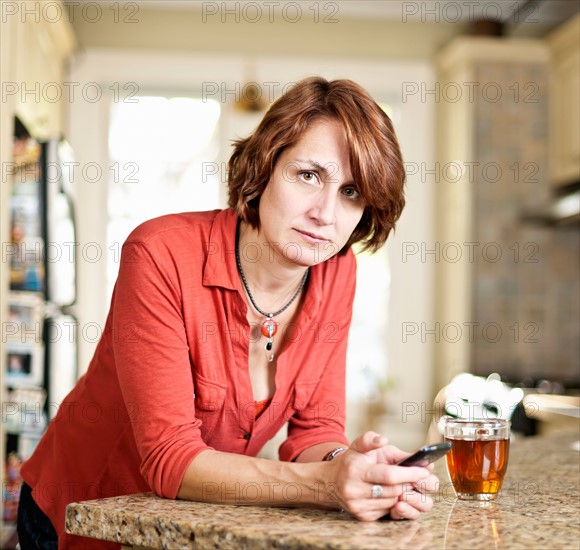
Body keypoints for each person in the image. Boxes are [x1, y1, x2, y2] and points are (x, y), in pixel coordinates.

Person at [17, 77, 439, 549]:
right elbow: (170, 459)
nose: (326, 213)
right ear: (264, 167)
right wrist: (327, 483)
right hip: (82, 516)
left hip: (186, 528)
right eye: (309, 175)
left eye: (352, 193)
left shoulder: (337, 270)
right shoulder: (159, 254)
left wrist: (356, 467)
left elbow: (315, 430)